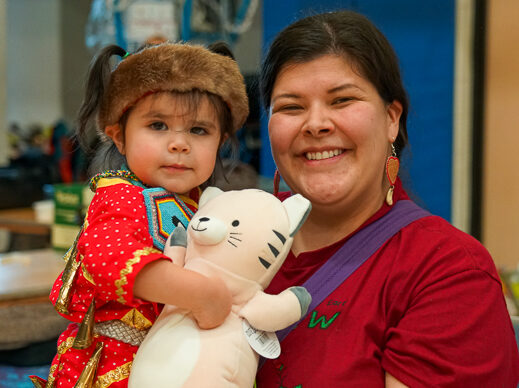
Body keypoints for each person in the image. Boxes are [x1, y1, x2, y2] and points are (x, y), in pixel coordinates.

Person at [256, 10, 519, 388]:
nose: (315, 124)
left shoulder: (448, 272)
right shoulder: (226, 239)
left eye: (342, 100)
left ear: (392, 119)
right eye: (291, 107)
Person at [30, 41, 249, 387]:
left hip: (178, 363)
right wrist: (202, 294)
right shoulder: (121, 197)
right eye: (158, 125)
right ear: (119, 137)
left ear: (221, 139)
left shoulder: (207, 206)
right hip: (116, 365)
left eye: (198, 130)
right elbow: (109, 257)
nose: (180, 143)